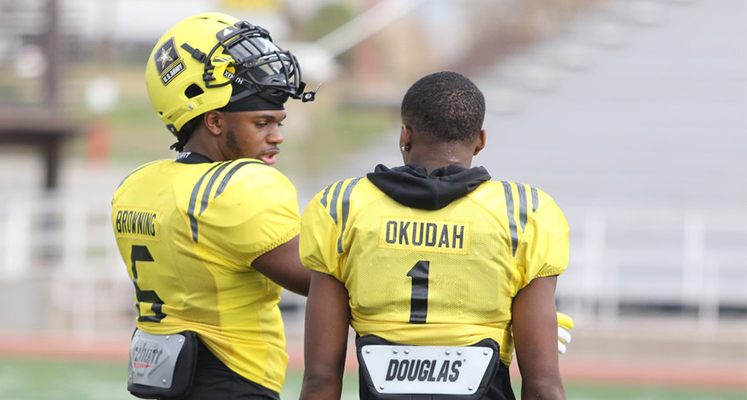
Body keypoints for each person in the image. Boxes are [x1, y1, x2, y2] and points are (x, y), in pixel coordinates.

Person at [298, 71, 569, 400]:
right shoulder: (525, 212)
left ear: (405, 135)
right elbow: (542, 384)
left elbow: (321, 378)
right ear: (481, 140)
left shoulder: (341, 207)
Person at [112, 12, 318, 400]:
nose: (277, 137)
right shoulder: (237, 187)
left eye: (279, 123)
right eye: (262, 123)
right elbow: (321, 278)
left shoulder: (136, 184)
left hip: (164, 382)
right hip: (234, 383)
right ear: (215, 121)